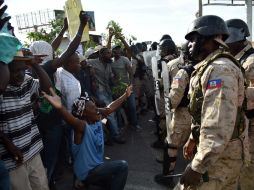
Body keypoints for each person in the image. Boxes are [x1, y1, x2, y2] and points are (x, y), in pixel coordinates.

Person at [177, 15, 247, 190]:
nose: (189, 44)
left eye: (194, 39)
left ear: (209, 40)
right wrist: (193, 138)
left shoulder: (220, 70)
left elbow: (218, 123)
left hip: (220, 161)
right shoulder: (210, 67)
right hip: (217, 155)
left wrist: (197, 166)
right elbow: (204, 111)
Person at [29, 12, 88, 187]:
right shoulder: (47, 67)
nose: (54, 54)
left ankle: (51, 176)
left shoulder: (29, 68)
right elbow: (69, 50)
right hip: (52, 121)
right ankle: (49, 181)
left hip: (39, 120)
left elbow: (51, 47)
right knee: (51, 156)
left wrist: (62, 29)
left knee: (47, 153)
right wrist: (81, 28)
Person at [42, 85, 131, 190]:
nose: (97, 110)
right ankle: (82, 180)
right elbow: (72, 120)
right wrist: (60, 107)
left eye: (96, 107)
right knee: (122, 166)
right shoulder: (81, 127)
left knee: (114, 180)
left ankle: (82, 183)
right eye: (93, 108)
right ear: (84, 114)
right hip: (88, 172)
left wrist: (126, 95)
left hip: (97, 167)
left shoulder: (96, 118)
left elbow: (108, 109)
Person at [0, 48, 52, 190]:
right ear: (5, 70)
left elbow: (48, 90)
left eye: (23, 70)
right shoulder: (1, 89)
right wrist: (8, 144)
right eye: (15, 71)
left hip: (33, 150)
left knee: (42, 186)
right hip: (12, 159)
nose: (21, 75)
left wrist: (34, 65)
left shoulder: (27, 81)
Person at [225, 18, 254, 190]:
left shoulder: (250, 62)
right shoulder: (240, 59)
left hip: (251, 126)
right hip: (244, 123)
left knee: (248, 170)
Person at [88, 47, 126, 144]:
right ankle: (116, 135)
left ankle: (105, 137)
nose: (111, 55)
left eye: (110, 53)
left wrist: (117, 83)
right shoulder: (92, 62)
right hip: (99, 92)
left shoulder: (109, 64)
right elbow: (84, 61)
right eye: (108, 53)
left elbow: (111, 78)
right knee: (110, 113)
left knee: (104, 115)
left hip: (108, 91)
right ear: (101, 55)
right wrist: (91, 74)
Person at [111, 44, 141, 131]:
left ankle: (135, 124)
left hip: (126, 87)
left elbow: (131, 73)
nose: (118, 51)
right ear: (113, 51)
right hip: (116, 89)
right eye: (115, 50)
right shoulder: (110, 61)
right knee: (117, 108)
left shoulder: (125, 59)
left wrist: (130, 84)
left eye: (118, 49)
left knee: (132, 106)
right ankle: (120, 126)